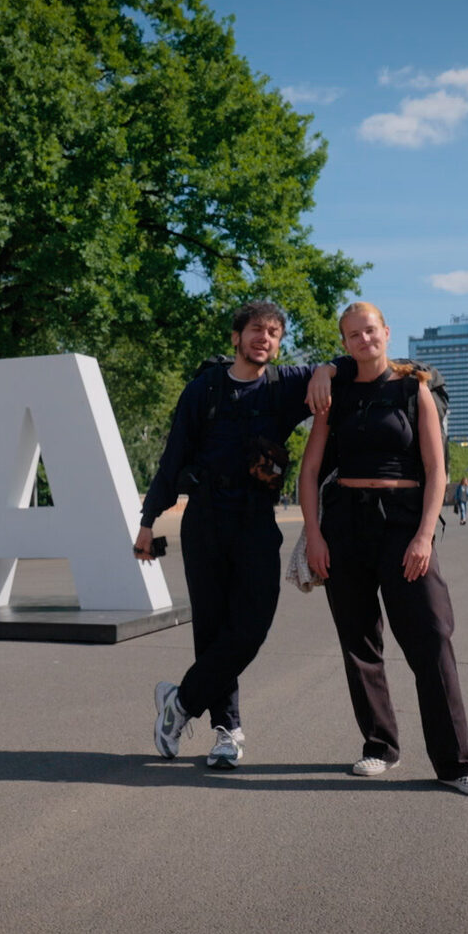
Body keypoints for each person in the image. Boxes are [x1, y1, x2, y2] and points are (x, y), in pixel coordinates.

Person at [298, 301, 468, 796]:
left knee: (431, 637)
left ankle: (454, 763)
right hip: (344, 525)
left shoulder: (413, 389)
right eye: (353, 335)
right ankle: (379, 746)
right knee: (359, 642)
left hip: (403, 523)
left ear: (386, 332)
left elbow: (436, 470)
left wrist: (424, 535)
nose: (363, 340)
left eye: (370, 331)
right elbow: (310, 470)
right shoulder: (335, 394)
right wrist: (315, 534)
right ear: (344, 344)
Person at [137, 301, 336, 769]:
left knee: (250, 628)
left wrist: (326, 369)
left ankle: (180, 702)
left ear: (279, 343)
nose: (263, 338)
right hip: (205, 520)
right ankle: (227, 731)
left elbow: (348, 366)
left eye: (273, 333)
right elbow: (171, 458)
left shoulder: (286, 385)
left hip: (255, 522)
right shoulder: (203, 389)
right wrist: (148, 522)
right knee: (212, 629)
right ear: (236, 337)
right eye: (255, 330)